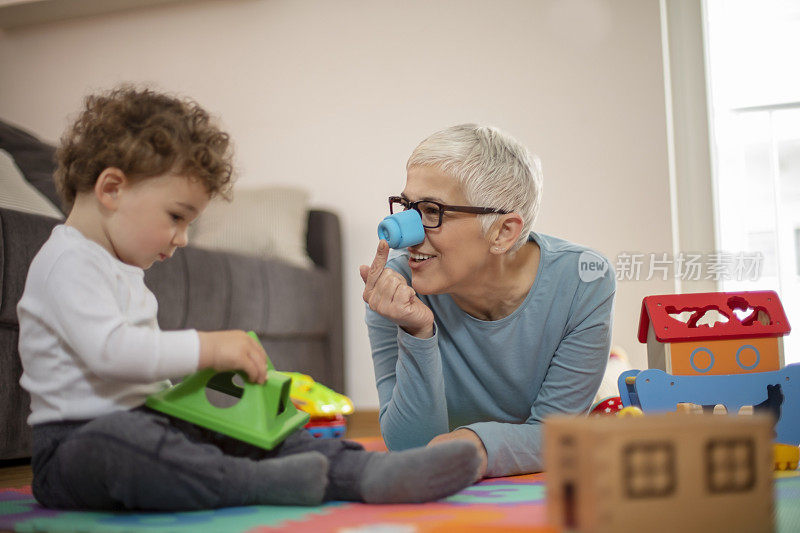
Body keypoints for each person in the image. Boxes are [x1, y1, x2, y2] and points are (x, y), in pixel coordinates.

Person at [17, 87, 480, 512]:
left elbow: (143, 368)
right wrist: (207, 348)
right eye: (176, 217)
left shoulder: (122, 268)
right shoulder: (68, 262)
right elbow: (111, 353)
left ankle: (364, 471)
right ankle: (253, 483)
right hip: (73, 448)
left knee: (251, 427)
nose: (180, 239)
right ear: (111, 189)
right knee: (125, 446)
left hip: (150, 422)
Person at [360, 123, 615, 478]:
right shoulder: (397, 290)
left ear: (503, 232)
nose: (406, 233)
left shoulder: (584, 280)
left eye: (432, 211)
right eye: (406, 207)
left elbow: (558, 436)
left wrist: (476, 443)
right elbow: (412, 450)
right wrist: (416, 331)